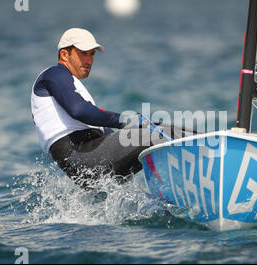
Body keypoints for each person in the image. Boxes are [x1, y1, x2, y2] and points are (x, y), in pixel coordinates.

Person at [31, 28, 179, 188]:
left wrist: (134, 127)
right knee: (162, 134)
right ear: (64, 55)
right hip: (81, 155)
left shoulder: (69, 86)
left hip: (88, 156)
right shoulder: (54, 74)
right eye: (83, 53)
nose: (89, 60)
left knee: (159, 130)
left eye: (92, 54)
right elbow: (79, 110)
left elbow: (101, 129)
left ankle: (169, 193)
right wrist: (126, 120)